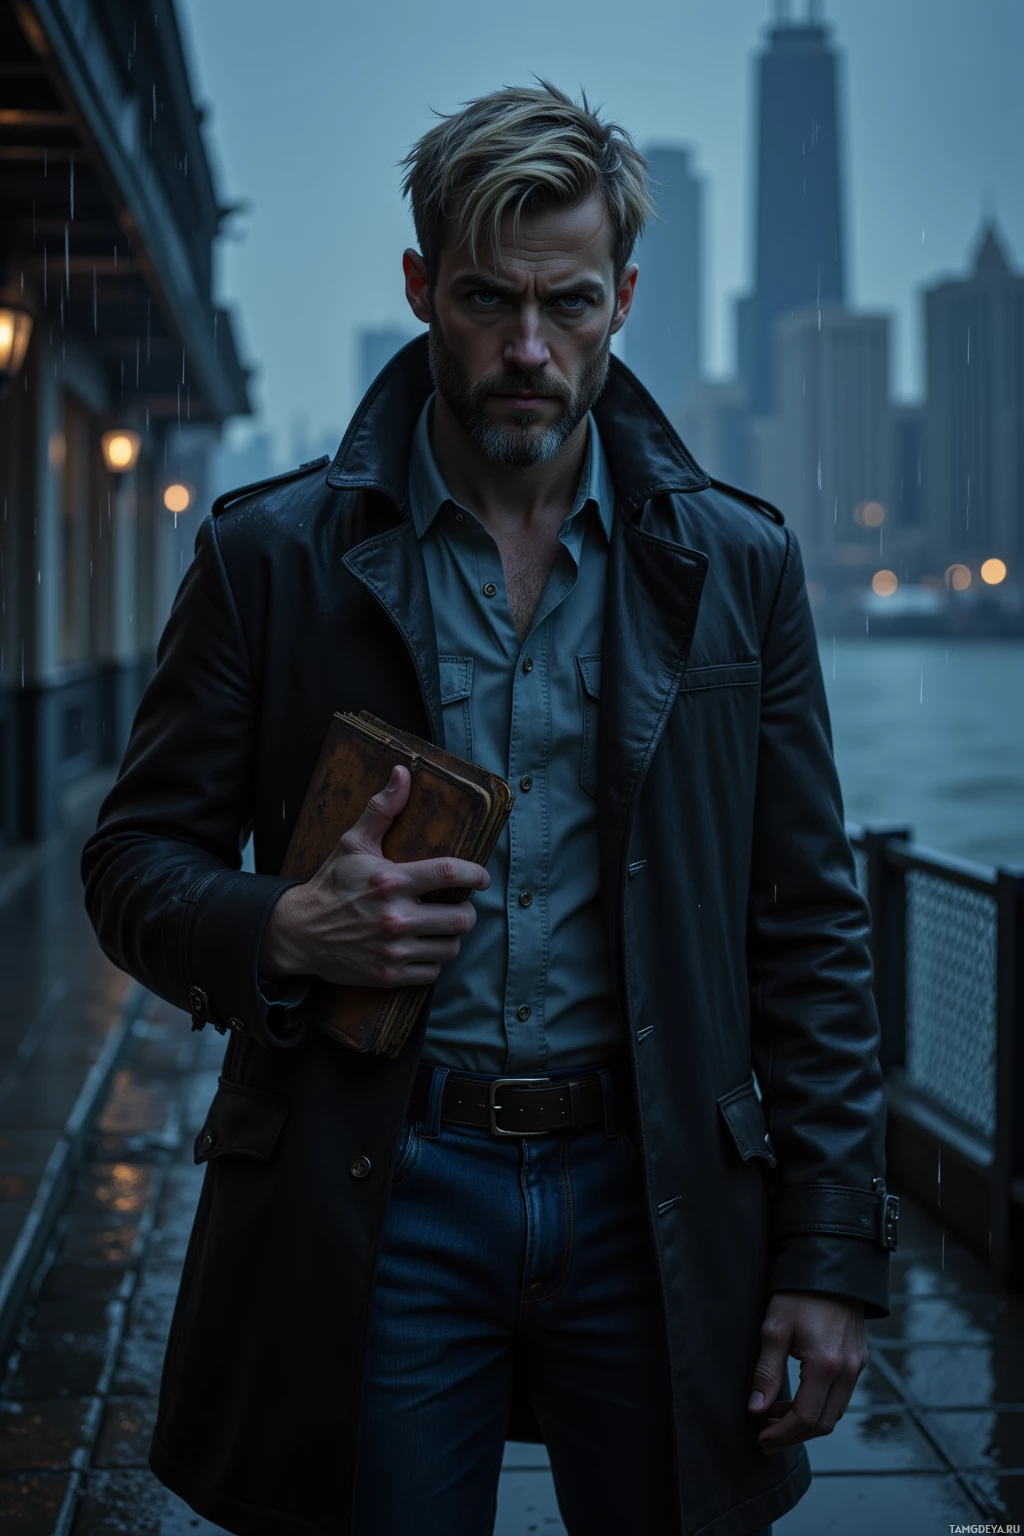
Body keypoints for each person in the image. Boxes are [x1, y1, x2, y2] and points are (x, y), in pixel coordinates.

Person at [81, 81, 898, 1536]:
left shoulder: (736, 569)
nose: (529, 349)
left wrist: (830, 1254)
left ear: (626, 298)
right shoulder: (271, 559)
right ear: (420, 288)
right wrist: (285, 928)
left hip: (655, 1201)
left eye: (570, 304)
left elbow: (814, 932)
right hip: (379, 1189)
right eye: (485, 299)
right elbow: (130, 865)